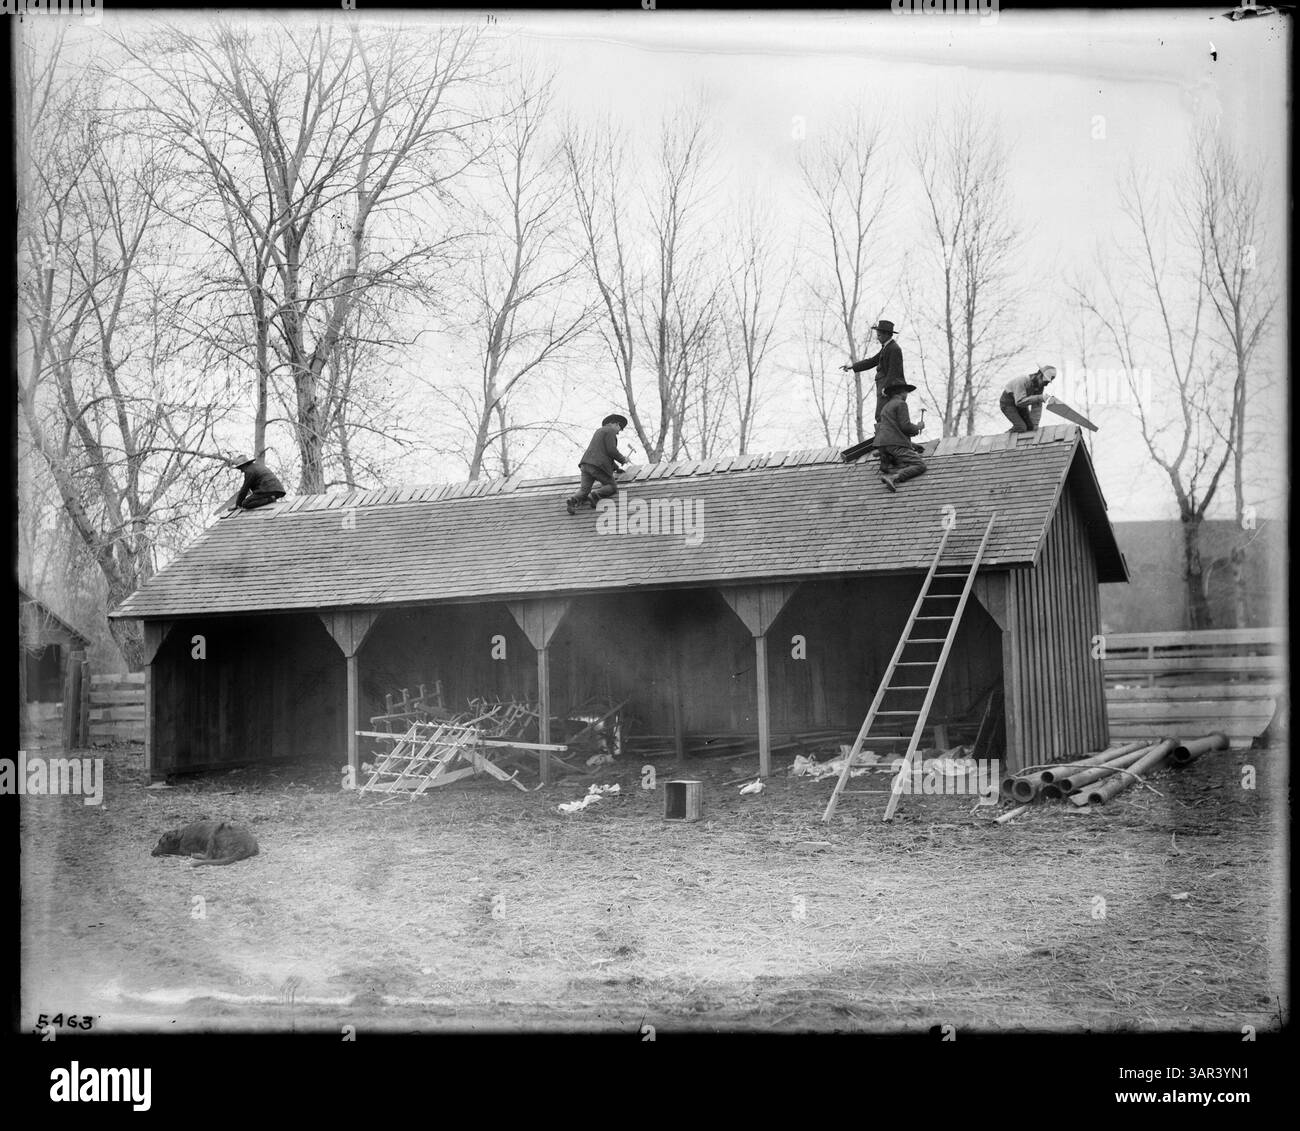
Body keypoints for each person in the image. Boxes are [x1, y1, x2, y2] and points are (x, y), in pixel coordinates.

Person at [840, 319, 905, 423]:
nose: (877, 338)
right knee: (881, 415)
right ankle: (881, 435)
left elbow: (894, 371)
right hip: (884, 386)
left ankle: (884, 436)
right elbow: (872, 361)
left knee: (883, 415)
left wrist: (886, 387)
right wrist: (852, 366)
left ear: (886, 335)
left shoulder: (894, 349)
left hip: (890, 388)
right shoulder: (886, 348)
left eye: (879, 336)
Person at [565, 414, 632, 514]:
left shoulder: (599, 431)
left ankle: (573, 501)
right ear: (616, 424)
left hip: (585, 464)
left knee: (584, 490)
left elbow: (603, 453)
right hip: (598, 466)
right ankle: (594, 496)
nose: (618, 432)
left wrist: (616, 468)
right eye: (620, 428)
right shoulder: (610, 431)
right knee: (612, 486)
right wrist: (623, 459)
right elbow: (611, 451)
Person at [874, 379, 926, 492]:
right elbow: (905, 426)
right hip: (894, 445)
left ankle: (886, 465)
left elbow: (892, 430)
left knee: (900, 462)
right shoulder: (901, 404)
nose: (907, 394)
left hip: (882, 445)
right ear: (901, 392)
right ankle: (893, 477)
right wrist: (918, 427)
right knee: (920, 465)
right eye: (906, 392)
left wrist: (913, 445)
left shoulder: (886, 407)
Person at [1000, 365, 1058, 433]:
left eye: (1047, 383)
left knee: (1030, 427)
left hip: (1021, 405)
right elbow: (1019, 402)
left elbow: (1037, 406)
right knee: (1021, 427)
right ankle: (1005, 437)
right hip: (1008, 404)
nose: (1046, 385)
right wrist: (1039, 397)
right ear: (1039, 375)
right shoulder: (1022, 380)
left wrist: (1035, 426)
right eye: (1045, 382)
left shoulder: (1039, 386)